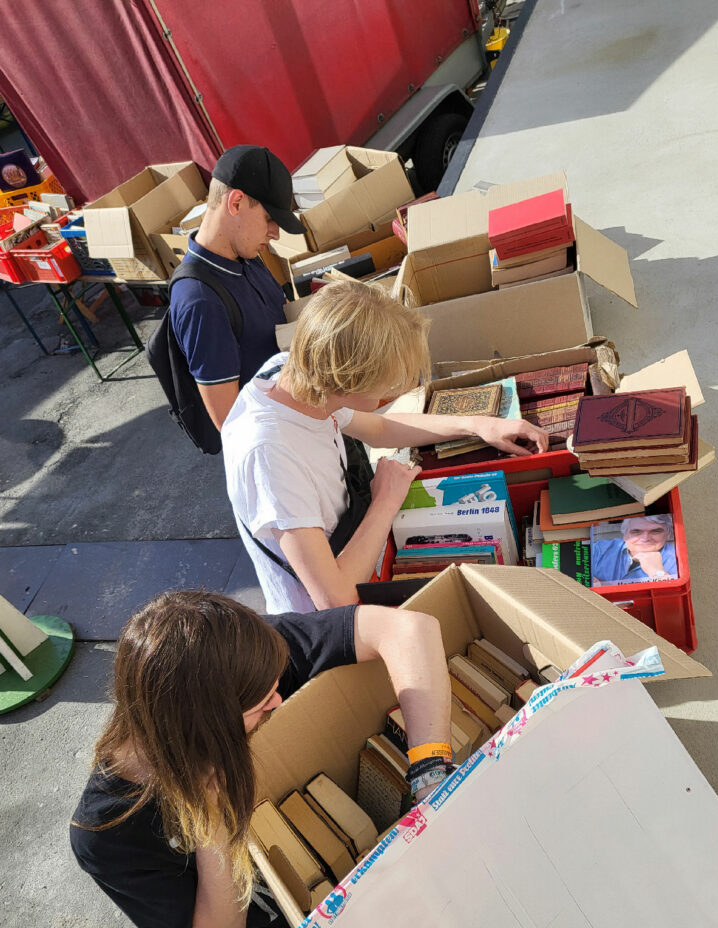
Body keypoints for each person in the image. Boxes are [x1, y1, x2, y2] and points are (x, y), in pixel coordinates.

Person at [70, 591, 453, 928]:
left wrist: (430, 777)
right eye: (260, 705)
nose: (278, 701)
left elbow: (411, 627)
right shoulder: (107, 833)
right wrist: (211, 822)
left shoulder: (235, 656)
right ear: (207, 730)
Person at [222, 279, 548, 614]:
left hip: (358, 542)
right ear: (349, 380)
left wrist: (477, 424)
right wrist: (387, 501)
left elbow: (379, 429)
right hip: (325, 620)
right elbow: (334, 598)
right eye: (388, 384)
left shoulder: (296, 374)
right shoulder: (270, 454)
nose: (391, 394)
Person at [170, 145, 306, 432]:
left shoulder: (246, 255)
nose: (275, 233)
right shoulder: (200, 301)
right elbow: (231, 425)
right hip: (285, 447)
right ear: (236, 203)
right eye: (270, 219)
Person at [591, 514, 677, 585]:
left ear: (668, 534)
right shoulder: (599, 549)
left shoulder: (678, 560)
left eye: (655, 531)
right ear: (625, 535)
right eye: (636, 532)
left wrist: (658, 572)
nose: (645, 538)